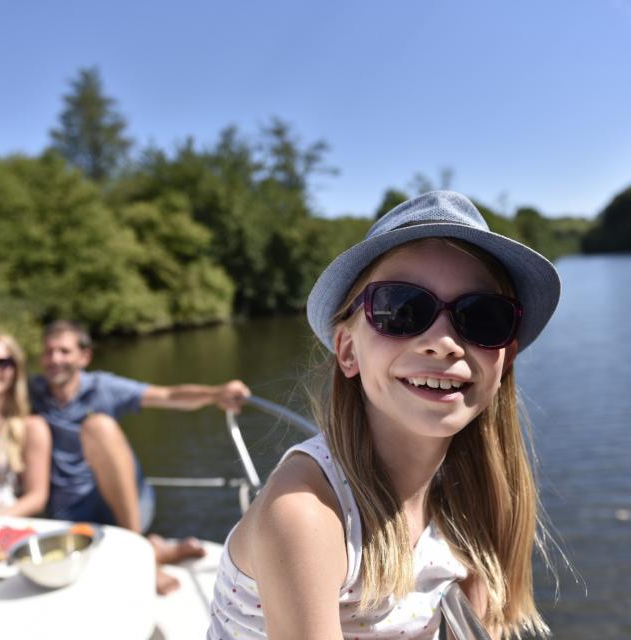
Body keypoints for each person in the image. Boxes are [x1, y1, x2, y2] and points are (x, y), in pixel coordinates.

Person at [208, 191, 561, 639]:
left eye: (482, 317)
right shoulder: (306, 516)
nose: (444, 342)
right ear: (348, 350)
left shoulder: (470, 504)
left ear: (504, 359)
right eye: (402, 309)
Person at [28, 320, 251, 593]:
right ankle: (156, 549)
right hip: (69, 511)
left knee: (98, 426)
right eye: (49, 352)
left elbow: (167, 395)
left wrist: (216, 393)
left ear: (84, 357)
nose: (55, 359)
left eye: (64, 351)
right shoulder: (32, 393)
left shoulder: (103, 387)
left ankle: (144, 558)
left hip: (125, 503)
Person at [0, 333, 51, 517]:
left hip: (0, 525)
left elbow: (37, 497)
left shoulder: (31, 427)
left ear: (16, 371)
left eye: (2, 363)